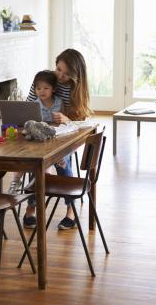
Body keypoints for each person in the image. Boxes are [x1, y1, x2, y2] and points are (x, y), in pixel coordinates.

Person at [10, 48, 92, 230]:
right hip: (40, 134)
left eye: (66, 73)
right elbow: (28, 107)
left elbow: (81, 124)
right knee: (36, 162)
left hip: (64, 135)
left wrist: (66, 119)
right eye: (58, 69)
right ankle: (31, 207)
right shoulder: (44, 81)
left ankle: (71, 210)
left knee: (65, 165)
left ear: (75, 75)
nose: (60, 75)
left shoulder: (74, 89)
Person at [8, 70, 62, 187]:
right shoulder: (33, 104)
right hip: (35, 137)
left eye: (45, 88)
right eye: (38, 89)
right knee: (24, 154)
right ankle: (16, 180)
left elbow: (64, 121)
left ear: (53, 89)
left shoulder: (60, 103)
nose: (41, 91)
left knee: (44, 156)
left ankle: (44, 178)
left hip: (52, 137)